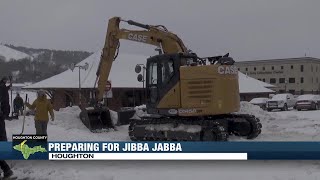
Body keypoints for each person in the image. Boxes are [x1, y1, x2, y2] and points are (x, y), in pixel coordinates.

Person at [0, 76, 14, 179]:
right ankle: (6, 170)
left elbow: (5, 101)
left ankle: (6, 170)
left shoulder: (3, 88)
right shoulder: (3, 87)